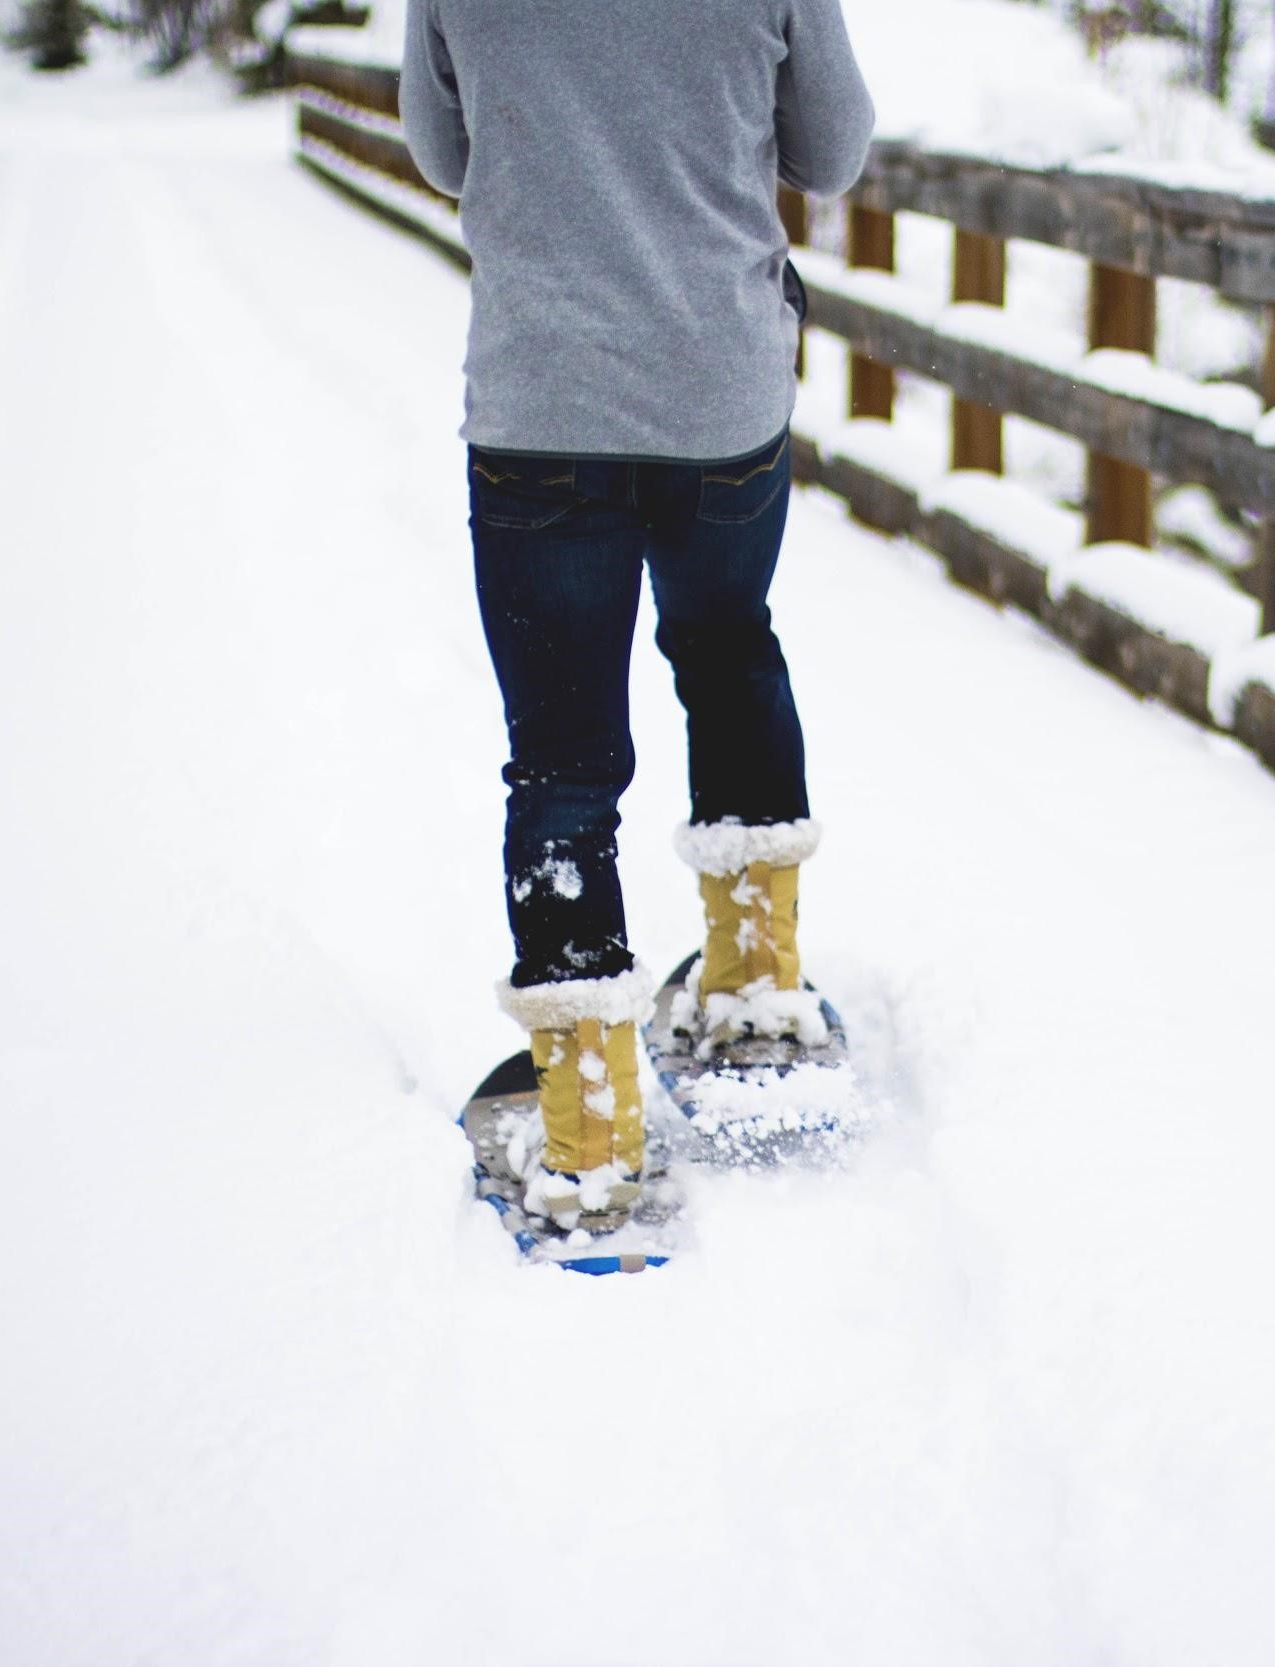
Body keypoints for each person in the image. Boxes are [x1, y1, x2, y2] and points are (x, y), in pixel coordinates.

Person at [402, 0, 874, 1226]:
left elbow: (446, 153)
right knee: (728, 649)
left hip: (539, 401)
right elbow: (833, 151)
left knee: (559, 761)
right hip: (719, 393)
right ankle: (756, 986)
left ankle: (589, 1127)